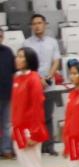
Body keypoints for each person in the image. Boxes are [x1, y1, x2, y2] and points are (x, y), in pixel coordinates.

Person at [9, 47, 47, 167]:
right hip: (18, 129)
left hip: (29, 131)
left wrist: (35, 133)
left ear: (29, 60)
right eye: (17, 56)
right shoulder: (17, 78)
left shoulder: (33, 79)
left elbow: (36, 108)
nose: (17, 59)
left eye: (21, 56)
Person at [25, 14, 61, 155]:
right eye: (34, 24)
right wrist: (38, 79)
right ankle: (37, 146)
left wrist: (48, 77)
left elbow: (56, 61)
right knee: (35, 117)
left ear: (45, 24)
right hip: (33, 85)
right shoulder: (26, 44)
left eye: (39, 23)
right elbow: (27, 64)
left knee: (48, 116)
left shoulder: (52, 42)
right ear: (31, 26)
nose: (37, 26)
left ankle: (49, 146)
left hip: (49, 85)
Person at [0, 30, 12, 160]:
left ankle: (6, 149)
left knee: (6, 124)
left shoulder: (8, 52)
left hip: (7, 94)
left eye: (0, 36)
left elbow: (14, 71)